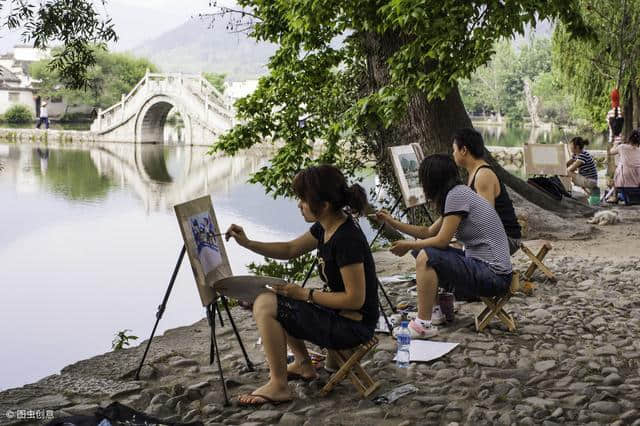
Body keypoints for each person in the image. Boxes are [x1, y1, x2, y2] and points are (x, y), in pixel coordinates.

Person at [225, 165, 379, 405]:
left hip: (353, 326)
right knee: (275, 293)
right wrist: (247, 243)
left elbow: (355, 299)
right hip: (340, 316)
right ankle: (304, 364)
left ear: (324, 205)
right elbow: (289, 250)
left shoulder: (346, 238)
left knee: (267, 304)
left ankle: (278, 385)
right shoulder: (326, 226)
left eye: (303, 200)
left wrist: (306, 294)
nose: (299, 205)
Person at [376, 154, 512, 339]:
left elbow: (441, 240)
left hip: (494, 276)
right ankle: (435, 312)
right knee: (420, 250)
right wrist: (393, 222)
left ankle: (422, 325)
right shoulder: (459, 193)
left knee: (427, 255)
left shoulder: (457, 195)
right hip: (485, 269)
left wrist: (407, 244)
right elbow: (428, 232)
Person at [451, 128, 522, 254]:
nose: (453, 154)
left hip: (507, 239)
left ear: (464, 150)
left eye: (454, 150)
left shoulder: (483, 175)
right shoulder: (474, 172)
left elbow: (486, 220)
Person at [607, 129, 640, 202]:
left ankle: (615, 197)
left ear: (629, 138)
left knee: (619, 167)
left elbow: (611, 152)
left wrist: (615, 144)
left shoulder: (622, 147)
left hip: (622, 185)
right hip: (637, 185)